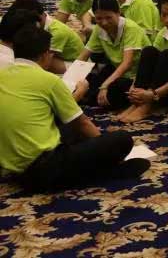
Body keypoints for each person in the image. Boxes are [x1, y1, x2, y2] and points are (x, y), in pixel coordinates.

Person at [0, 25, 149, 193]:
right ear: (44, 54)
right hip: (45, 169)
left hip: (13, 170)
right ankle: (108, 171)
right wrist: (109, 152)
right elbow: (83, 123)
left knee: (69, 129)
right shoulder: (47, 79)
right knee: (121, 139)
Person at [78, 0, 150, 109]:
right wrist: (69, 82)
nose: (104, 23)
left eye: (108, 18)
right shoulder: (98, 29)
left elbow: (127, 63)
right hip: (116, 72)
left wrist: (105, 85)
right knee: (89, 79)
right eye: (99, 19)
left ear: (118, 13)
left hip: (136, 77)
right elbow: (82, 57)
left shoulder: (131, 29)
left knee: (115, 88)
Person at [9, 0, 84, 74]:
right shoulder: (43, 25)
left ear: (38, 17)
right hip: (61, 59)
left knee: (42, 59)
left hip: (77, 65)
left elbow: (45, 62)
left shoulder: (57, 32)